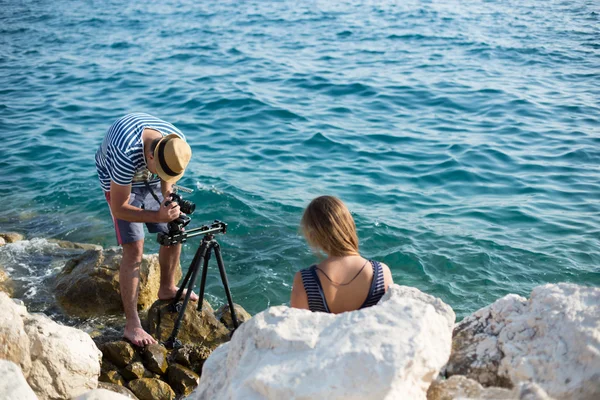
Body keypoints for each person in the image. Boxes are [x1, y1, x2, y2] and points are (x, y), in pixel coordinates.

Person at [95, 112, 197, 346]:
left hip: (148, 167)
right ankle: (132, 324)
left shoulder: (176, 142)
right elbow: (121, 208)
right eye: (160, 169)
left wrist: (168, 202)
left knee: (174, 230)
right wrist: (156, 214)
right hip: (118, 179)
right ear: (150, 156)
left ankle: (168, 288)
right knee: (134, 249)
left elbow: (167, 177)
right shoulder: (125, 153)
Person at [290, 196, 393, 313]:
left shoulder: (305, 280)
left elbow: (298, 325)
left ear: (314, 235)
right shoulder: (381, 273)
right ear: (349, 225)